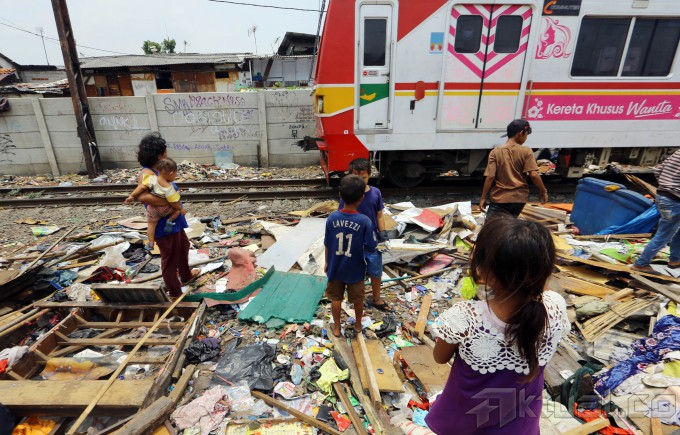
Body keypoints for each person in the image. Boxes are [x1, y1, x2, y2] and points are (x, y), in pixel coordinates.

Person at [425, 218, 570, 434]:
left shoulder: (466, 316)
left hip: (465, 423)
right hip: (520, 425)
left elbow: (439, 357)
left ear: (486, 272)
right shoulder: (554, 307)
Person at [128, 132, 198, 299]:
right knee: (170, 257)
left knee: (183, 246)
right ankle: (175, 292)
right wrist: (171, 202)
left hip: (173, 218)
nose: (167, 153)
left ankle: (186, 276)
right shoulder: (147, 173)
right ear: (159, 153)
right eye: (165, 150)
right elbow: (143, 197)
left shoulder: (159, 169)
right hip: (163, 221)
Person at [325, 175, 378, 337]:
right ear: (362, 197)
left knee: (336, 299)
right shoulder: (364, 221)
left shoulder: (332, 218)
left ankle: (336, 327)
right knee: (358, 300)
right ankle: (358, 325)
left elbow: (327, 243)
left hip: (335, 267)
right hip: (356, 268)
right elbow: (371, 246)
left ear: (340, 195)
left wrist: (327, 262)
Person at [338, 158, 390, 311]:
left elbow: (379, 215)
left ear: (369, 176)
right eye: (356, 177)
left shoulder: (375, 193)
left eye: (364, 177)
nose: (360, 181)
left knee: (376, 271)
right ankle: (357, 299)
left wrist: (383, 233)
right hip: (353, 242)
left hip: (372, 240)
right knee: (356, 272)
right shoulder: (348, 194)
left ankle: (376, 298)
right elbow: (342, 215)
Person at [479, 119, 549, 219]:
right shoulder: (527, 151)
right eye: (526, 135)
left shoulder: (495, 152)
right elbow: (533, 175)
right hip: (519, 200)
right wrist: (543, 190)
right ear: (521, 133)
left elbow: (490, 177)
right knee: (509, 225)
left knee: (492, 226)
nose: (526, 138)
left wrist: (483, 198)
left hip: (500, 198)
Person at [632, 149, 680, 272]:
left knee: (671, 230)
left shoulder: (678, 152)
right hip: (674, 200)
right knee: (664, 234)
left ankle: (675, 259)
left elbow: (658, 170)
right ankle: (641, 264)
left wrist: (665, 186)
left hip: (663, 196)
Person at [125, 158, 186, 250]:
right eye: (175, 174)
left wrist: (132, 195)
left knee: (151, 225)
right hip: (166, 209)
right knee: (177, 209)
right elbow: (173, 202)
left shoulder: (151, 179)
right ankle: (169, 220)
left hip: (153, 209)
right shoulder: (169, 187)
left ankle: (150, 243)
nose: (175, 176)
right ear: (171, 174)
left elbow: (141, 187)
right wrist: (181, 209)